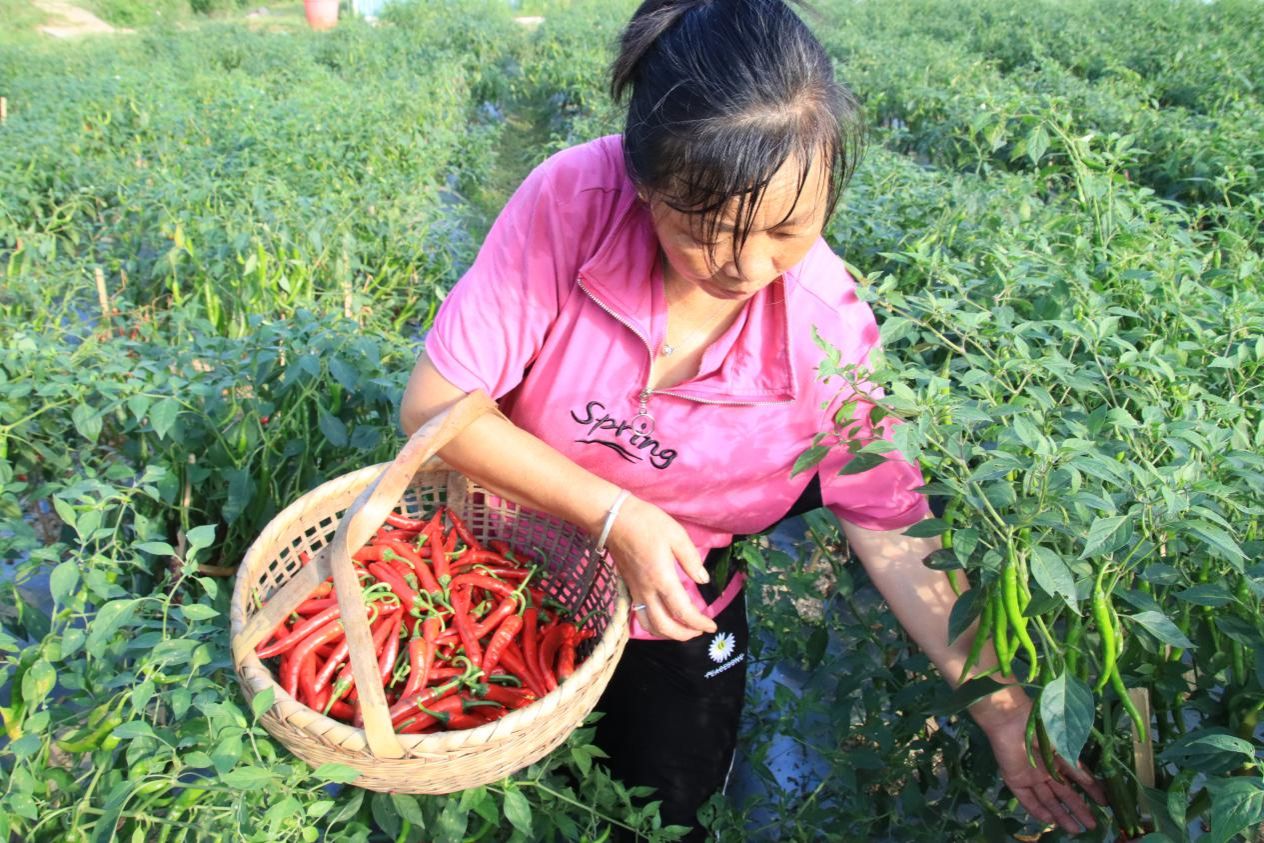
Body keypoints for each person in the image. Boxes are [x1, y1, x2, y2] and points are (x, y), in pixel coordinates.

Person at [400, 0, 1105, 837]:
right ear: (644, 180)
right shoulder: (575, 201)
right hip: (502, 550)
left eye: (786, 229)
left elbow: (892, 526)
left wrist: (1002, 707)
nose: (743, 263)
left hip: (674, 594)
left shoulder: (823, 330)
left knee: (664, 803)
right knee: (455, 767)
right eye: (703, 227)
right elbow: (435, 409)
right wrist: (613, 512)